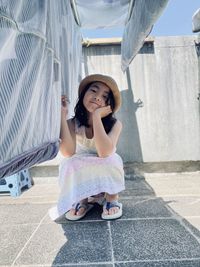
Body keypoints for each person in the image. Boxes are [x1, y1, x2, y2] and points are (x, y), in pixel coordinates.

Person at [49, 74, 125, 221]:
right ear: (83, 94)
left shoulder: (116, 124)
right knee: (70, 162)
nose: (97, 97)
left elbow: (104, 153)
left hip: (105, 168)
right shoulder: (73, 123)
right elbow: (67, 152)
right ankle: (82, 199)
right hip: (83, 170)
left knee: (112, 159)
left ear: (109, 105)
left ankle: (111, 199)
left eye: (104, 96)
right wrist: (62, 115)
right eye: (94, 91)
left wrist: (96, 116)